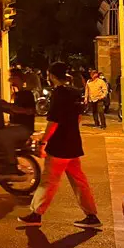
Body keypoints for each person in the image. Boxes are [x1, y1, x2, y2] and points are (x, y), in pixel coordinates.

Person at [19, 62, 101, 228]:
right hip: (73, 143)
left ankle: (36, 214)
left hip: (59, 146)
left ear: (52, 76)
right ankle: (91, 215)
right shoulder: (74, 92)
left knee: (48, 181)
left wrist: (43, 141)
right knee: (79, 181)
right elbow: (78, 117)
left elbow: (54, 122)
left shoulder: (58, 94)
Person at [0, 69, 35, 179]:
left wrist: (10, 106)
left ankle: (12, 165)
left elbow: (29, 111)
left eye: (12, 77)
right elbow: (13, 111)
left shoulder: (27, 94)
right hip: (14, 126)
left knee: (2, 135)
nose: (10, 80)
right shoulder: (15, 95)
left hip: (24, 128)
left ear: (18, 78)